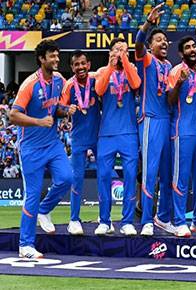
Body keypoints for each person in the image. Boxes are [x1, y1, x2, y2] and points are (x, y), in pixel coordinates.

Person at [9, 40, 74, 258]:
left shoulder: (59, 80)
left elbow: (54, 110)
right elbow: (13, 115)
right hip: (31, 148)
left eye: (57, 55)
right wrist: (39, 122)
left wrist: (65, 111)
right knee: (32, 195)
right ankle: (25, 245)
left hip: (53, 143)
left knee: (67, 177)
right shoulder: (29, 84)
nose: (56, 59)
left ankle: (44, 211)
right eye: (52, 56)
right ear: (41, 59)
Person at [94, 38, 141, 236]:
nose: (121, 53)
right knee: (104, 176)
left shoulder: (133, 71)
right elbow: (99, 90)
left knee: (130, 177)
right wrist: (111, 66)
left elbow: (136, 84)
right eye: (117, 50)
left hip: (129, 132)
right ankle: (104, 221)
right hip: (107, 134)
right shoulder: (103, 72)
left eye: (124, 50)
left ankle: (127, 221)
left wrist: (125, 61)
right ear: (110, 53)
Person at [135, 4, 174, 236]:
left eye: (166, 40)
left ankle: (164, 217)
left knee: (167, 173)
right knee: (150, 172)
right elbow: (138, 43)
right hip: (150, 120)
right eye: (159, 40)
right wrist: (149, 23)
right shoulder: (146, 59)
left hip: (168, 119)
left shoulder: (169, 66)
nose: (164, 43)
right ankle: (147, 219)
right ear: (151, 45)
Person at [167, 36, 196, 237]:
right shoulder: (176, 71)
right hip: (182, 132)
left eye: (194, 46)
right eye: (188, 48)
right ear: (181, 53)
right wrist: (179, 83)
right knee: (181, 179)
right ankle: (179, 221)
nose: (193, 50)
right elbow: (170, 101)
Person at [60, 51, 100, 236]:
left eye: (83, 63)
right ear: (72, 67)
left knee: (104, 176)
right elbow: (58, 108)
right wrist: (67, 109)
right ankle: (74, 220)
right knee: (77, 179)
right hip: (78, 138)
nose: (80, 67)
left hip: (99, 136)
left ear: (89, 64)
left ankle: (104, 217)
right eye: (76, 64)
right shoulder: (69, 86)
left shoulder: (96, 79)